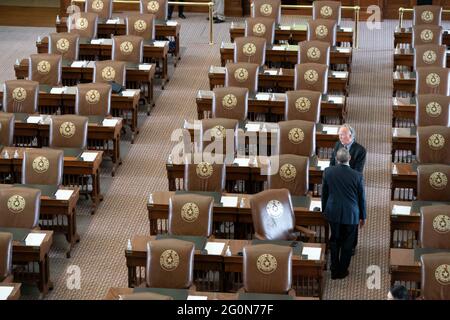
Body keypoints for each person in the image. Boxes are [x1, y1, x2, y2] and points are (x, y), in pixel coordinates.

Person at [322, 148, 366, 280]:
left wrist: (325, 210)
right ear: (350, 159)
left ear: (336, 159)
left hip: (333, 212)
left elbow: (325, 193)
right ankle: (342, 270)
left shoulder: (328, 172)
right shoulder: (357, 175)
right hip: (351, 214)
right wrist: (363, 216)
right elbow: (361, 198)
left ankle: (334, 269)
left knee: (334, 240)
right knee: (347, 243)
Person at [330, 123, 366, 256]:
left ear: (351, 136)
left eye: (343, 134)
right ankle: (338, 241)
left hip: (351, 189)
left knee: (352, 218)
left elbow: (358, 171)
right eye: (339, 134)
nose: (340, 137)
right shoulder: (337, 145)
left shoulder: (360, 150)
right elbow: (331, 164)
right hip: (337, 185)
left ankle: (351, 245)